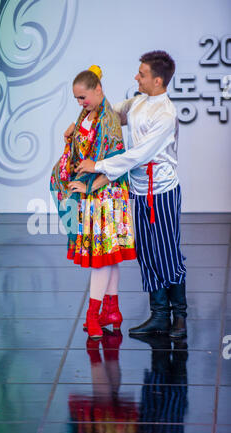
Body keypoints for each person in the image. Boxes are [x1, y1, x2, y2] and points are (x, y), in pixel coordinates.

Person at [70, 51, 188, 339]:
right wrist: (83, 124)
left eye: (142, 74)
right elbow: (110, 114)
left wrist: (97, 166)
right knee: (147, 253)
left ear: (158, 81)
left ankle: (179, 316)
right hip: (138, 190)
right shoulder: (138, 102)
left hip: (160, 191)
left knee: (167, 253)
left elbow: (137, 154)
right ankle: (159, 315)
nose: (137, 77)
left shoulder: (165, 113)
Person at [51, 66, 137, 340]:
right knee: (108, 257)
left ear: (98, 89)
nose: (80, 103)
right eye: (77, 99)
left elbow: (116, 164)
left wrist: (87, 186)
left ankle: (93, 314)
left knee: (100, 259)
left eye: (83, 97)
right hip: (96, 196)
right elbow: (82, 151)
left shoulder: (109, 119)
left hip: (105, 195)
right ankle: (112, 310)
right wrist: (71, 138)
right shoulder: (87, 116)